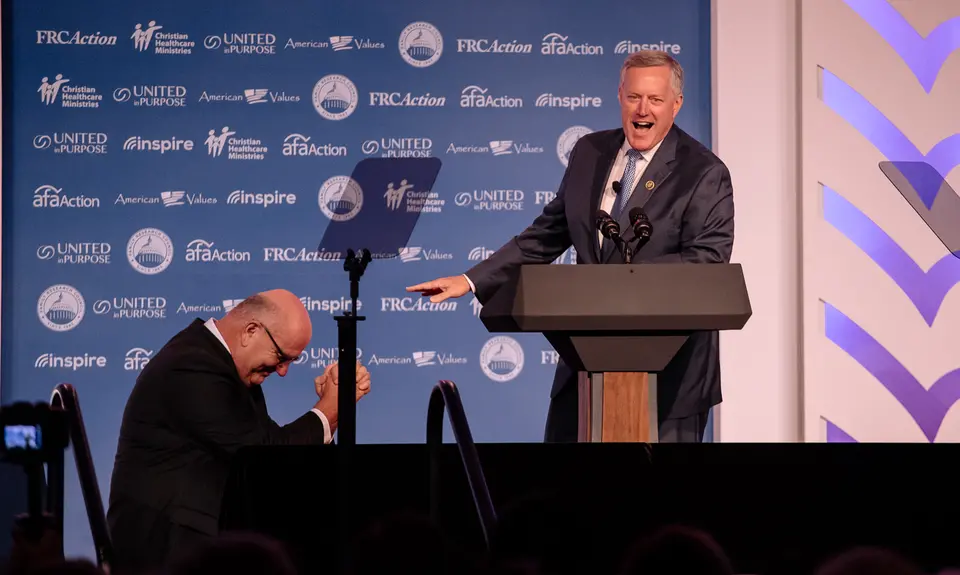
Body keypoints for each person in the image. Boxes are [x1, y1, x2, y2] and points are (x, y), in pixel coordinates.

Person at [407, 50, 734, 444]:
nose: (642, 109)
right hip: (585, 367)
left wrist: (624, 283)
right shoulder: (589, 152)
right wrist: (471, 280)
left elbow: (707, 262)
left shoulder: (703, 172)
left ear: (676, 104)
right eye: (634, 97)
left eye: (655, 99)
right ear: (619, 95)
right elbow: (548, 233)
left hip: (671, 377)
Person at [106, 289, 371, 571]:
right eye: (281, 357)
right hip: (166, 552)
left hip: (200, 542)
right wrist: (331, 409)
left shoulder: (223, 365)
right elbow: (264, 456)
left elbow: (271, 455)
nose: (283, 371)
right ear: (251, 331)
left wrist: (331, 410)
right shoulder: (192, 366)